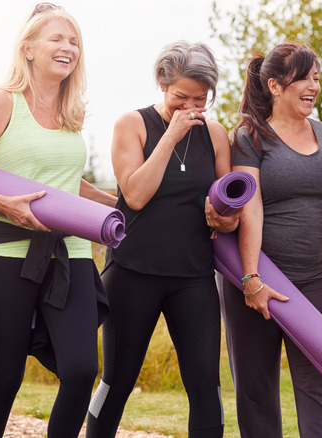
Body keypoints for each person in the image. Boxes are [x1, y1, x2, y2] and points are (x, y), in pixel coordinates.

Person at [0, 4, 116, 437]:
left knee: (80, 368)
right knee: (7, 376)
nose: (67, 48)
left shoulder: (73, 113)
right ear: (28, 49)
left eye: (73, 42)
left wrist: (121, 207)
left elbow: (68, 182)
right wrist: (7, 204)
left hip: (69, 252)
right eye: (57, 39)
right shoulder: (3, 102)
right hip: (6, 253)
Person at [84, 41, 238, 438]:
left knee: (206, 386)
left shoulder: (216, 134)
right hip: (132, 271)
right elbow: (134, 194)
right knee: (115, 382)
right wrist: (169, 137)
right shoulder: (130, 125)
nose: (190, 107)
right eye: (180, 97)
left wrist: (224, 217)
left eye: (200, 100)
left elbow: (229, 211)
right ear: (161, 84)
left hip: (193, 276)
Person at [220, 42, 322, 438]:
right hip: (260, 275)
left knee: (318, 382)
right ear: (275, 86)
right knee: (256, 387)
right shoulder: (250, 136)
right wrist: (250, 278)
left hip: (316, 276)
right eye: (303, 77)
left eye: (316, 77)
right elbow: (250, 206)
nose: (313, 86)